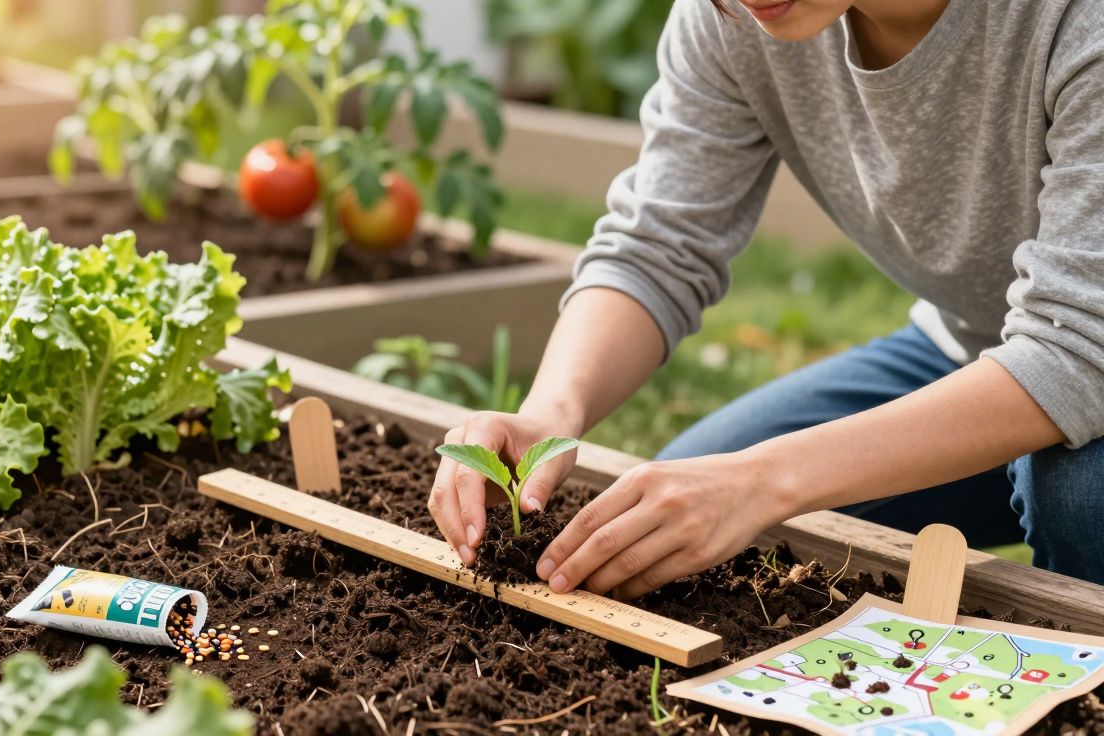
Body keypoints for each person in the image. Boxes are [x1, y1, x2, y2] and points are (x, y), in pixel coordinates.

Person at [428, 0, 1104, 595]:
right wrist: (551, 414)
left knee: (1079, 496)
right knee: (673, 524)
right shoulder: (735, 16)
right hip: (977, 346)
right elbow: (659, 243)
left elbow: (1076, 352)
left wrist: (762, 481)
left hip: (1081, 359)